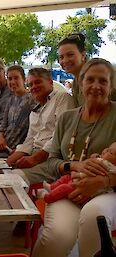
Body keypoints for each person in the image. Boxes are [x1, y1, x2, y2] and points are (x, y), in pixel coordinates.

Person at [32, 58, 116, 257]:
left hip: (109, 191)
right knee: (56, 238)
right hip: (68, 190)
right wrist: (74, 166)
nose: (96, 86)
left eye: (103, 81)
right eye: (90, 80)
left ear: (111, 85)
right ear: (81, 83)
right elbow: (52, 161)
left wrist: (104, 180)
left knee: (94, 215)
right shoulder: (67, 118)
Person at [6, 68, 75, 185]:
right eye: (30, 84)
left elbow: (61, 135)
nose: (33, 87)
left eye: (37, 82)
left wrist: (34, 159)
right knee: (1, 172)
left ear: (50, 82)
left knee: (13, 180)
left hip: (53, 159)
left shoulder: (62, 98)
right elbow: (30, 140)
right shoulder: (35, 111)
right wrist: (7, 162)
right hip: (34, 154)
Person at [42, 142, 116, 204]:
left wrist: (78, 173)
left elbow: (90, 173)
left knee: (65, 187)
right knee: (65, 178)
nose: (106, 150)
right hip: (78, 179)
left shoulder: (110, 167)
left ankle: (46, 197)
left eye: (111, 152)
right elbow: (52, 159)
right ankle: (51, 187)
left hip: (85, 189)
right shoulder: (102, 159)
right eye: (108, 148)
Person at [58, 32, 116, 107]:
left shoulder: (102, 72)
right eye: (61, 57)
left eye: (70, 55)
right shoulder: (76, 84)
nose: (65, 60)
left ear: (83, 55)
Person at [0, 65, 35, 152]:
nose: (13, 82)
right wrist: (0, 136)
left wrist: (21, 150)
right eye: (10, 79)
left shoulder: (32, 101)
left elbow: (34, 131)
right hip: (3, 145)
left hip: (17, 150)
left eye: (16, 78)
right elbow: (3, 124)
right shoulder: (10, 100)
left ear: (24, 79)